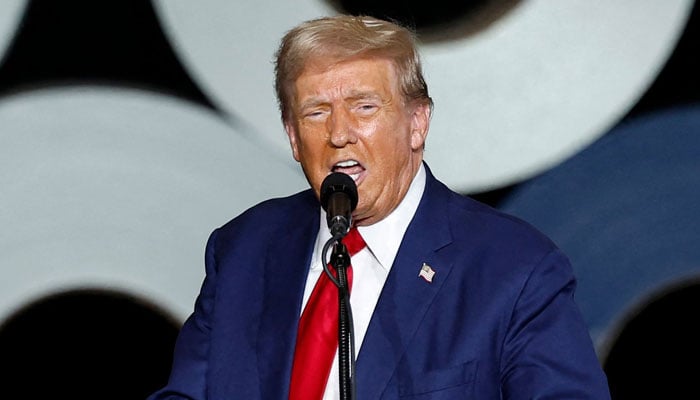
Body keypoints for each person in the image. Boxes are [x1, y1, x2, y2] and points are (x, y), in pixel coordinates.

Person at [148, 14, 611, 399]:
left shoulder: (515, 270)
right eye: (315, 112)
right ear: (292, 137)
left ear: (417, 123)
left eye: (364, 107)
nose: (339, 133)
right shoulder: (242, 250)